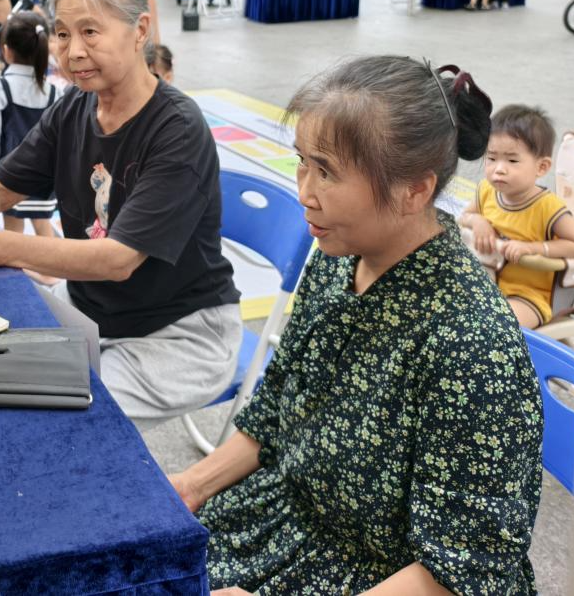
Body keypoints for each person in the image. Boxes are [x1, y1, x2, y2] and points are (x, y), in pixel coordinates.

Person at [169, 56, 543, 594]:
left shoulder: (472, 348)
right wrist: (191, 484)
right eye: (303, 163)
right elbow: (281, 401)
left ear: (414, 189)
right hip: (289, 526)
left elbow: (464, 571)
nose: (304, 192)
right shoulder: (340, 252)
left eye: (327, 172)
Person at [0, 0, 242, 421]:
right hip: (89, 310)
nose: (73, 51)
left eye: (90, 31)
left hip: (176, 333)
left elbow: (117, 260)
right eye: (62, 35)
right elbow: (2, 185)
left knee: (66, 425)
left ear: (139, 30)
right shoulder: (74, 108)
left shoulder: (177, 130)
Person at [459, 104, 574, 331]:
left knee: (494, 326)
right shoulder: (487, 191)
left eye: (512, 161)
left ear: (541, 167)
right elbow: (465, 216)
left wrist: (533, 249)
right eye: (492, 158)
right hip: (485, 284)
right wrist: (478, 221)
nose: (498, 169)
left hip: (528, 297)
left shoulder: (547, 207)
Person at [0, 12, 59, 238]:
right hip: (45, 177)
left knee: (12, 232)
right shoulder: (54, 92)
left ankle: (18, 271)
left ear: (6, 51)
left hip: (10, 175)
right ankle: (52, 271)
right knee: (44, 228)